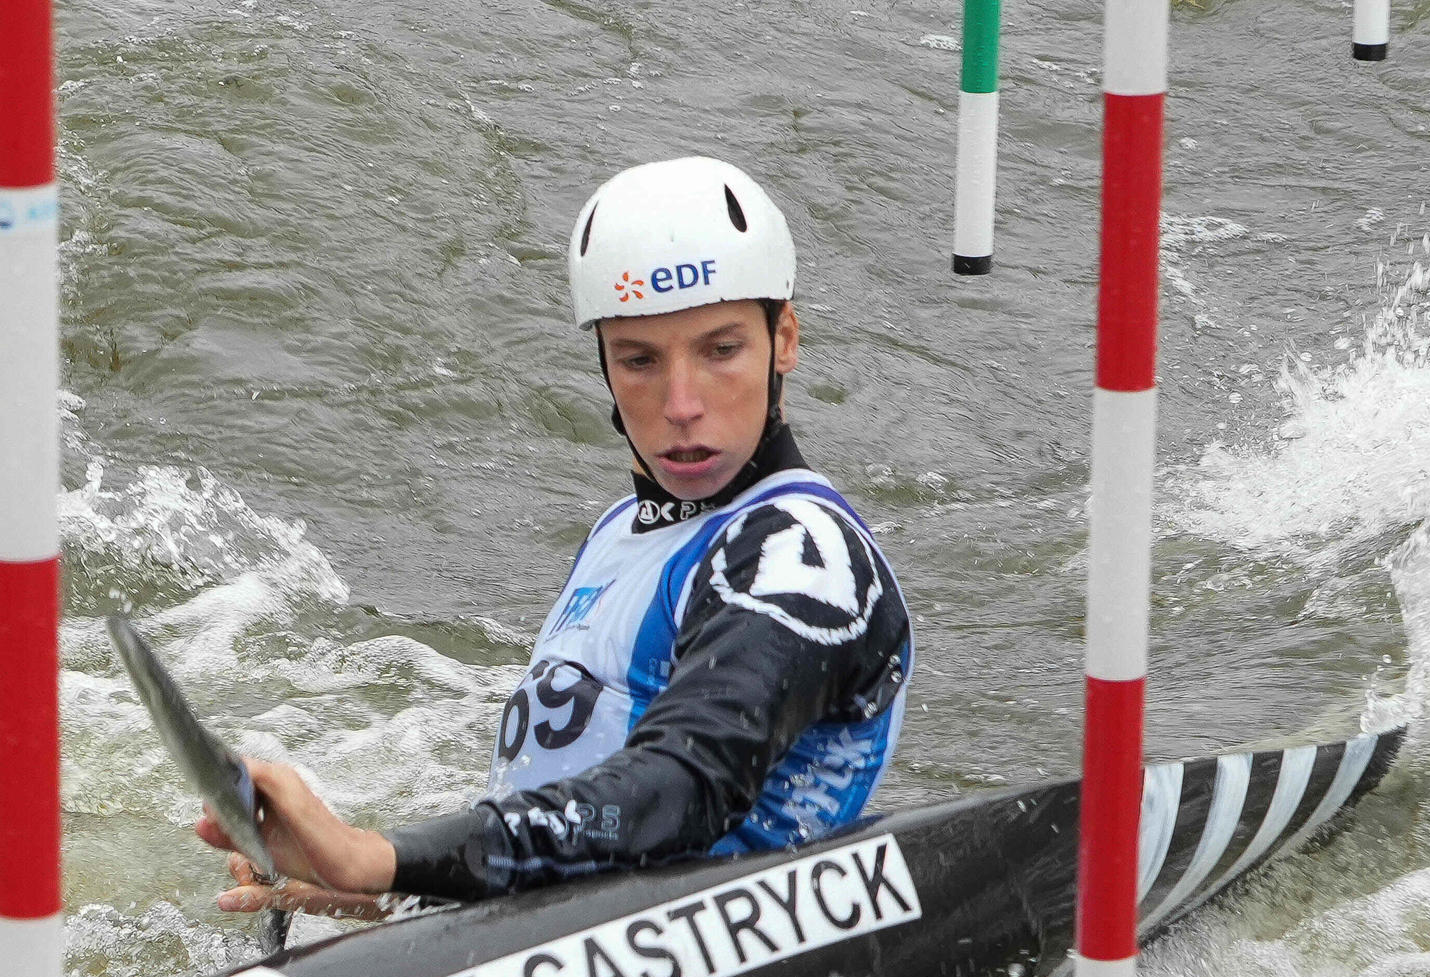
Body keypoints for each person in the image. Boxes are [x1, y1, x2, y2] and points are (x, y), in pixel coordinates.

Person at [203, 157, 913, 916]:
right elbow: (565, 836)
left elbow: (678, 792)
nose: (680, 404)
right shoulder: (621, 532)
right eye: (639, 360)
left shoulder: (803, 553)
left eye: (720, 350)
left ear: (786, 340)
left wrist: (375, 854)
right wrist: (376, 893)